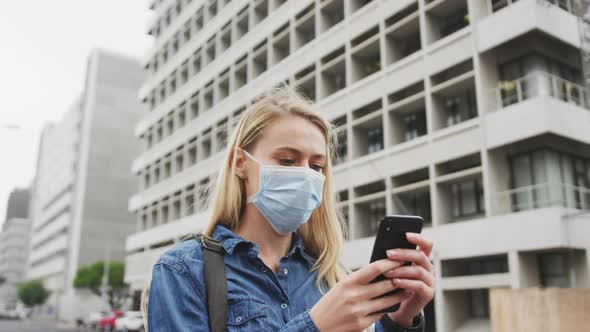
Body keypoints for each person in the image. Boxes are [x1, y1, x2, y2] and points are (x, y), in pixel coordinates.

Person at [145, 87, 435, 331]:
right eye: (286, 160)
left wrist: (399, 320)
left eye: (316, 166)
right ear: (240, 163)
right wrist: (315, 326)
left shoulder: (330, 278)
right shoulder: (183, 270)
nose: (305, 174)